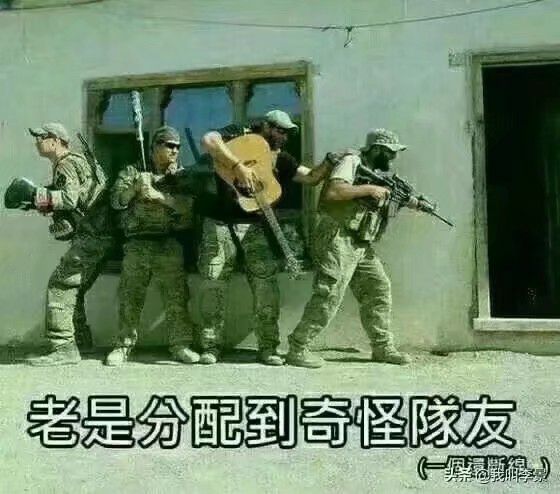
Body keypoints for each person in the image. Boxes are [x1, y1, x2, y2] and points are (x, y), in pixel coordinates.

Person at [197, 110, 333, 365]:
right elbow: (208, 140)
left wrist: (330, 162)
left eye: (287, 133)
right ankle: (210, 346)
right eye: (280, 131)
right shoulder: (238, 134)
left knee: (266, 286)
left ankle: (268, 347)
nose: (284, 137)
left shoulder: (282, 157)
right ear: (266, 126)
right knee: (214, 283)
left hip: (256, 227)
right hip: (219, 223)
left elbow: (311, 177)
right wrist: (238, 167)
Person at [286, 128, 419, 368]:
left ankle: (382, 347)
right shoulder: (351, 161)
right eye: (390, 152)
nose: (393, 157)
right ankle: (298, 347)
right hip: (337, 236)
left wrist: (412, 202)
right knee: (329, 293)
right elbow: (335, 191)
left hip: (360, 242)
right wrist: (370, 190)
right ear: (376, 149)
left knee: (378, 289)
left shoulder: (374, 173)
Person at [104, 126, 199, 366]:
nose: (175, 150)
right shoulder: (133, 171)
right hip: (137, 243)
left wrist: (159, 197)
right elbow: (116, 202)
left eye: (178, 147)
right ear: (155, 147)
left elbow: (188, 207)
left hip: (169, 242)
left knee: (177, 297)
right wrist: (135, 188)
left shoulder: (181, 176)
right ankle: (123, 346)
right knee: (130, 297)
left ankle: (180, 345)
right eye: (169, 145)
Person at [24, 122, 114, 366]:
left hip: (92, 237)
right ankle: (81, 341)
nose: (37, 142)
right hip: (101, 236)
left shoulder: (66, 164)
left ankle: (63, 347)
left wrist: (36, 196)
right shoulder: (78, 161)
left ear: (55, 141)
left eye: (41, 137)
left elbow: (69, 198)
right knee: (75, 287)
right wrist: (44, 203)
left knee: (60, 285)